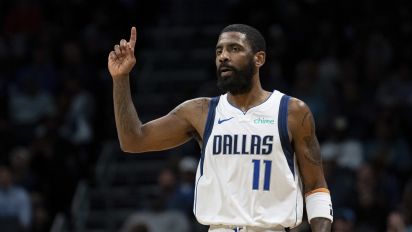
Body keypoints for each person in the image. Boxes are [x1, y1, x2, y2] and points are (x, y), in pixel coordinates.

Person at [108, 24, 333, 232]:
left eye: (234, 49)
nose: (224, 56)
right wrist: (120, 79)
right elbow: (132, 141)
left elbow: (316, 186)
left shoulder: (291, 111)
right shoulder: (200, 112)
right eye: (219, 51)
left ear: (259, 58)